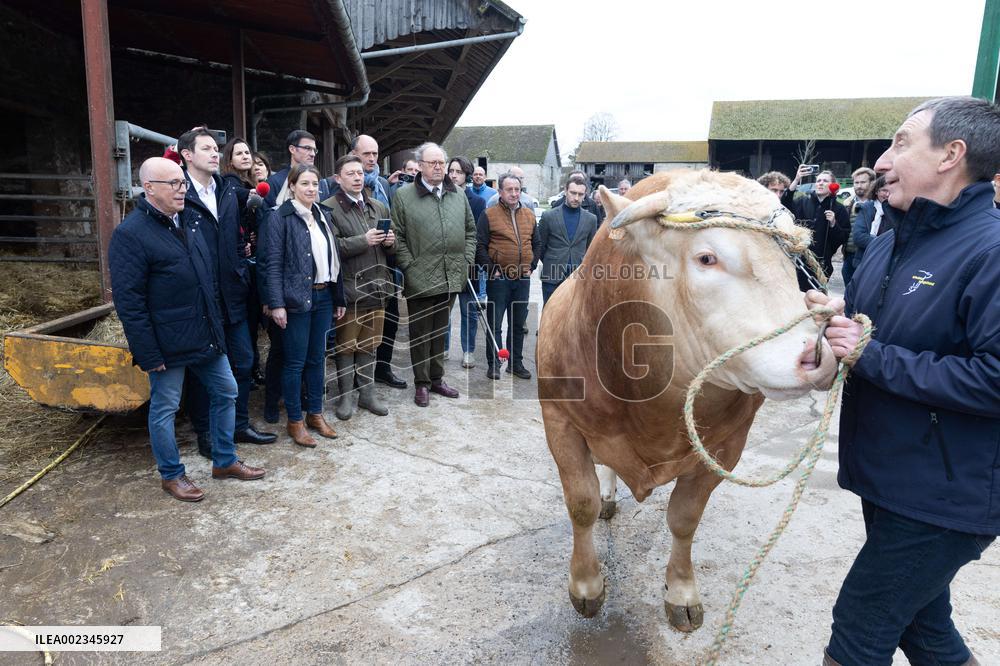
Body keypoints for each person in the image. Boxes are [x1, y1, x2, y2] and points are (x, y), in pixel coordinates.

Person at [812, 96, 999, 666]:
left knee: (857, 636)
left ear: (952, 154)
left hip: (946, 493)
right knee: (925, 631)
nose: (883, 161)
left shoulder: (991, 250)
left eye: (901, 143)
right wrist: (834, 311)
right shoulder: (894, 236)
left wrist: (872, 355)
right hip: (895, 478)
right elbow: (882, 317)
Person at [109, 157, 266, 502]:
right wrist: (147, 352)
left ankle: (224, 460)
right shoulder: (130, 234)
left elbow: (206, 278)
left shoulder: (191, 221)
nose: (183, 190)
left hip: (205, 332)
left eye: (183, 183)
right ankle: (171, 474)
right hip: (166, 341)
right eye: (174, 185)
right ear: (149, 188)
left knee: (226, 391)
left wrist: (217, 325)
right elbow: (129, 303)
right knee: (164, 407)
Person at [178, 128, 276, 454]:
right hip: (199, 296)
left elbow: (236, 234)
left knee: (245, 360)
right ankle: (206, 432)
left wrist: (238, 258)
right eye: (206, 148)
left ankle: (238, 425)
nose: (215, 153)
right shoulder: (180, 195)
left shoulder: (225, 190)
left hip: (231, 291)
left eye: (216, 149)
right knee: (204, 366)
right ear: (187, 155)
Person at [261, 164, 345, 448]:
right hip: (296, 299)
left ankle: (315, 414)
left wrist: (338, 297)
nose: (311, 188)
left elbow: (333, 259)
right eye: (305, 183)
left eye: (315, 183)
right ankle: (295, 420)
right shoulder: (280, 217)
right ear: (293, 186)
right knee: (295, 362)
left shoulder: (323, 214)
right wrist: (277, 304)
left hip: (323, 296)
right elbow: (271, 264)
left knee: (317, 359)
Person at [391, 142, 476, 407]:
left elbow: (470, 231)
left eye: (442, 162)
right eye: (433, 163)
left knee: (440, 330)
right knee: (420, 333)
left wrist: (465, 262)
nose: (439, 167)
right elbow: (397, 237)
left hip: (452, 274)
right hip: (419, 278)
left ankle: (437, 379)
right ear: (421, 166)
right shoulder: (404, 196)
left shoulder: (458, 194)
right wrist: (410, 267)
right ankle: (422, 383)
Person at [321, 155, 395, 421]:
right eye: (350, 173)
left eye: (360, 173)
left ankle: (367, 394)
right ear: (338, 179)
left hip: (377, 287)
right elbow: (331, 248)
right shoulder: (328, 208)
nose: (357, 177)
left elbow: (394, 246)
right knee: (346, 346)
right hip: (351, 290)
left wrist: (390, 242)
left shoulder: (377, 206)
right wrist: (363, 241)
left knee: (370, 345)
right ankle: (345, 397)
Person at [477, 171, 539, 380]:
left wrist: (532, 264)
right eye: (509, 189)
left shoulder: (529, 215)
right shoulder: (489, 215)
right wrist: (491, 269)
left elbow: (537, 243)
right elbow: (480, 246)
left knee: (518, 323)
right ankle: (494, 363)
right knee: (495, 323)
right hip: (499, 278)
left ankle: (516, 363)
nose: (514, 194)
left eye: (517, 189)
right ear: (500, 191)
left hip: (522, 278)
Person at [222, 138, 267, 387]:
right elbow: (235, 203)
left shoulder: (250, 183)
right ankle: (248, 370)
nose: (245, 156)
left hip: (249, 257)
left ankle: (252, 368)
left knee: (252, 318)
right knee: (248, 318)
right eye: (238, 153)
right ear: (229, 160)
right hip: (241, 263)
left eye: (247, 152)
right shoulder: (231, 184)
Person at [446, 156, 487, 368]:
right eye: (451, 171)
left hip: (467, 263)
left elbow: (477, 236)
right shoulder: (440, 197)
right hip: (444, 265)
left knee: (468, 310)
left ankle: (468, 350)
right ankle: (443, 348)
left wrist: (470, 258)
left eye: (459, 172)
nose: (454, 175)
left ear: (467, 175)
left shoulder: (478, 202)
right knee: (443, 310)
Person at [782, 168, 850, 290]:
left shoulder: (839, 209)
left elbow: (843, 237)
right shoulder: (802, 202)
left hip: (822, 263)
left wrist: (834, 224)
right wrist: (797, 179)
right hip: (799, 260)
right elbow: (785, 204)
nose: (821, 183)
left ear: (833, 185)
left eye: (825, 181)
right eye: (818, 181)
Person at [537, 175, 598, 305]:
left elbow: (590, 249)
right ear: (565, 191)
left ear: (585, 195)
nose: (576, 198)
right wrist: (553, 259)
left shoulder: (591, 219)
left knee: (575, 317)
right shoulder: (549, 216)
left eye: (580, 194)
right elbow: (540, 246)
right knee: (550, 314)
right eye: (573, 193)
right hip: (552, 275)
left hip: (577, 277)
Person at [265, 129, 330, 207]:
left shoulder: (320, 182)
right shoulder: (274, 182)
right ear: (292, 149)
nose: (313, 154)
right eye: (307, 148)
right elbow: (266, 216)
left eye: (314, 150)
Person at [841, 167, 876, 285]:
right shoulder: (848, 204)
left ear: (872, 183)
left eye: (863, 182)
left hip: (867, 256)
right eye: (856, 182)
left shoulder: (877, 206)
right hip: (848, 256)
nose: (859, 185)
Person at [850, 176, 891, 270]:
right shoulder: (866, 208)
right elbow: (859, 237)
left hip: (886, 263)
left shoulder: (897, 210)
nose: (888, 194)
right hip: (864, 260)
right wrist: (886, 244)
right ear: (876, 191)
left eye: (890, 191)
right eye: (884, 190)